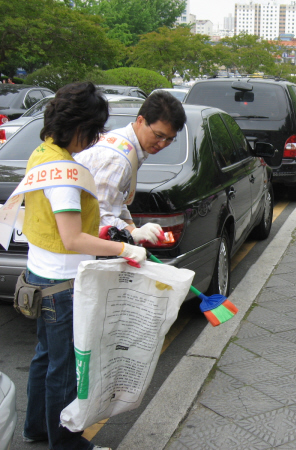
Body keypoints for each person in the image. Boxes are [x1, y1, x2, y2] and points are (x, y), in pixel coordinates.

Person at [22, 82, 147, 450]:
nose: (95, 140)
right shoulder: (63, 173)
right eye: (92, 131)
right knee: (65, 371)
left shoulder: (42, 154)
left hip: (39, 275)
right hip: (61, 286)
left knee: (45, 359)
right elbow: (73, 238)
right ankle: (65, 444)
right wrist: (124, 250)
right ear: (78, 126)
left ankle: (36, 428)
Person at [75, 91, 186, 242]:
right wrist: (133, 232)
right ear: (140, 121)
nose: (162, 144)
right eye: (158, 135)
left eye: (169, 139)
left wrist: (132, 228)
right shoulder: (117, 159)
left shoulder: (128, 145)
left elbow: (116, 199)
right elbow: (98, 213)